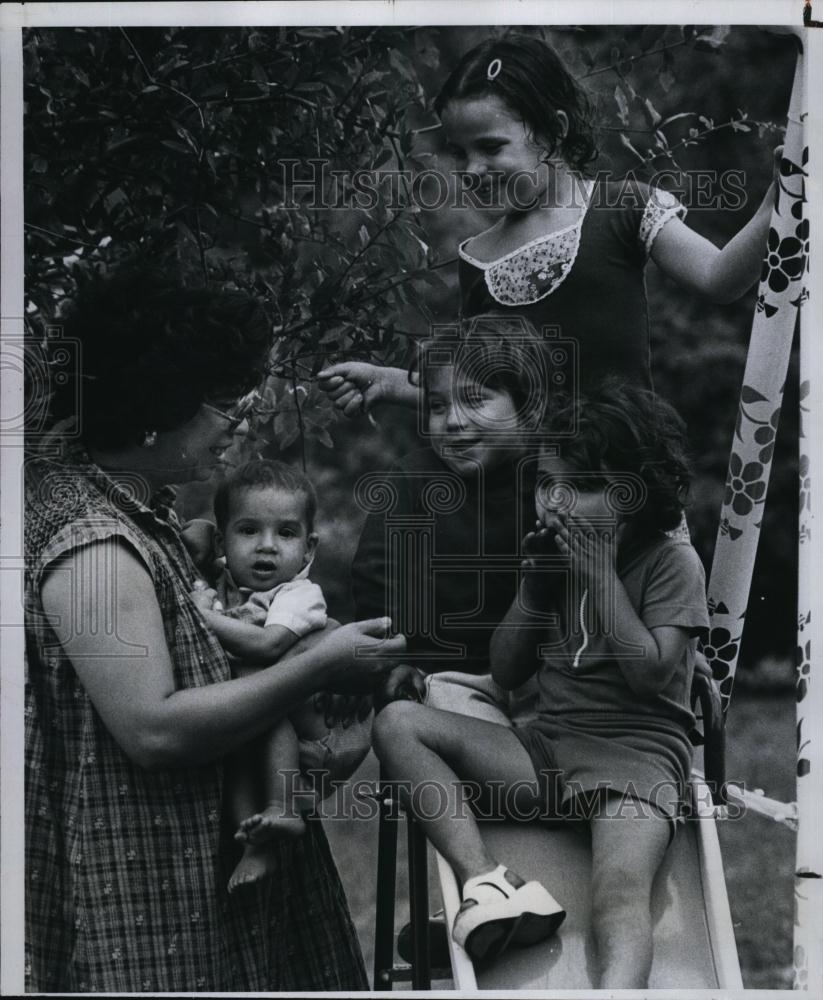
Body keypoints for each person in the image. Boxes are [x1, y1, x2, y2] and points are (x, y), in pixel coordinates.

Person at [24, 264, 404, 993]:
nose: (238, 428)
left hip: (201, 874)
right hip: (147, 892)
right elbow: (154, 730)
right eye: (226, 407)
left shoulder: (142, 511)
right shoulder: (93, 544)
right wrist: (322, 664)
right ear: (157, 405)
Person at [372, 379, 710, 987]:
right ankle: (487, 884)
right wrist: (532, 589)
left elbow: (652, 673)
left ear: (636, 495)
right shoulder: (553, 562)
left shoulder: (669, 563)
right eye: (548, 483)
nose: (555, 502)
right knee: (397, 724)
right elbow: (507, 671)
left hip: (634, 767)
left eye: (580, 487)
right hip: (548, 753)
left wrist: (602, 576)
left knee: (617, 898)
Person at [317, 33, 781, 413]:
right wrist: (390, 382)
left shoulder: (625, 209)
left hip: (630, 488)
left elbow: (721, 279)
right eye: (461, 153)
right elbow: (478, 392)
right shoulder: (477, 259)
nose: (472, 170)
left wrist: (776, 204)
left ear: (554, 129)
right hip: (534, 503)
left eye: (492, 147)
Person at [185, 459, 373, 893]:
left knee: (256, 687)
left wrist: (202, 619)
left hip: (313, 744)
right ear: (224, 539)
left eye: (285, 534)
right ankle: (257, 842)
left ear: (308, 550)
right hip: (266, 736)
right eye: (248, 531)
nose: (266, 546)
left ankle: (281, 806)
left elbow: (265, 646)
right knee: (235, 750)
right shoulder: (231, 585)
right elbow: (192, 541)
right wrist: (197, 538)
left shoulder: (298, 595)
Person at [351, 316, 546, 719]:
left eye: (475, 400)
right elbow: (377, 578)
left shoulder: (552, 481)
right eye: (438, 406)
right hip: (437, 679)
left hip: (546, 679)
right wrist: (395, 662)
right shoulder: (413, 479)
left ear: (527, 406)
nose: (453, 421)